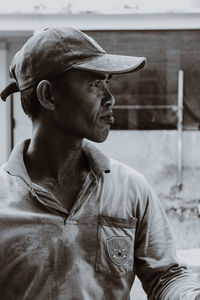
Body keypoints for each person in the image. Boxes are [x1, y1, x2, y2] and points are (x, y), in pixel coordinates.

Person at [0, 27, 199, 300]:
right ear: (48, 96)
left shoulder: (130, 190)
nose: (110, 98)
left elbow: (165, 276)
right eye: (95, 84)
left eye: (108, 83)